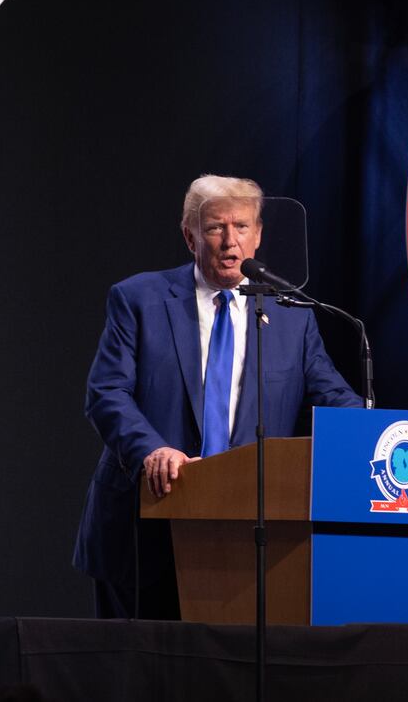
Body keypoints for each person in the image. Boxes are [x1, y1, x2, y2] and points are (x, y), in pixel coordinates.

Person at [72, 174, 362, 619]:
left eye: (242, 227)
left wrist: (381, 431)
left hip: (244, 536)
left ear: (259, 235)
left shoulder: (291, 316)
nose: (231, 241)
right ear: (190, 235)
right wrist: (151, 449)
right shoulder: (138, 299)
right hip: (145, 527)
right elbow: (107, 392)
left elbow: (333, 397)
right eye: (216, 228)